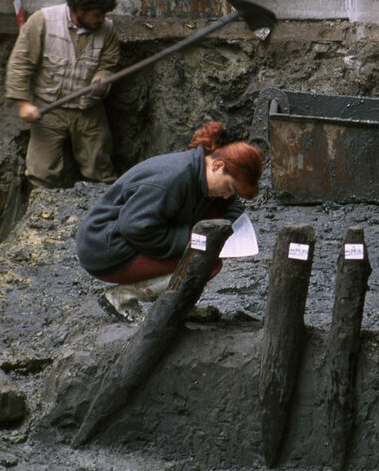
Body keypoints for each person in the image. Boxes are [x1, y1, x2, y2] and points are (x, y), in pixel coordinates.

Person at [76, 121, 263, 321]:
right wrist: (191, 240)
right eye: (229, 187)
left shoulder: (207, 174)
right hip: (106, 246)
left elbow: (233, 207)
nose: (227, 195)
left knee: (207, 239)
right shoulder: (173, 179)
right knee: (206, 261)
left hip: (127, 235)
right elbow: (135, 227)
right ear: (218, 166)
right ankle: (123, 296)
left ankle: (179, 307)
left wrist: (221, 228)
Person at [5, 0, 122, 188]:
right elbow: (20, 63)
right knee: (41, 172)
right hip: (49, 109)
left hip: (88, 110)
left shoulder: (108, 30)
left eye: (105, 14)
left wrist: (101, 80)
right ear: (79, 10)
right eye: (97, 14)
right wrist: (24, 103)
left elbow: (108, 64)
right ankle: (40, 215)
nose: (102, 19)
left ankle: (105, 211)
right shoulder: (43, 22)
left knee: (100, 169)